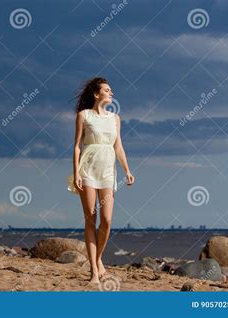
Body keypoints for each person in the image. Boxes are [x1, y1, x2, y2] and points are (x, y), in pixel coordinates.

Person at [67, 77, 135, 284]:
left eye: (111, 89)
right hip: (87, 170)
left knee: (106, 220)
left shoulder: (115, 118)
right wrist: (76, 172)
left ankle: (96, 261)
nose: (111, 92)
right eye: (107, 89)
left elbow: (118, 147)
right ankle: (95, 273)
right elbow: (77, 146)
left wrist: (127, 170)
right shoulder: (84, 115)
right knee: (91, 219)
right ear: (97, 94)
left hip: (107, 171)